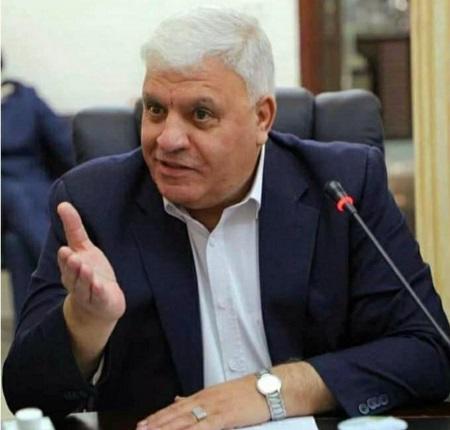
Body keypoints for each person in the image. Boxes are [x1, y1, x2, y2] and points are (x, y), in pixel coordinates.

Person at [3, 8, 450, 429]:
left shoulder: (343, 186)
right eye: (155, 110)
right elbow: (26, 394)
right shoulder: (93, 202)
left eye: (201, 114)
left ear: (262, 118)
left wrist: (269, 391)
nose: (168, 139)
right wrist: (84, 323)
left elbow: (429, 349)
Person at [1, 71, 74, 318]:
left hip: (31, 189)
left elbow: (64, 144)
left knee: (16, 244)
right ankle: (61, 266)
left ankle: (30, 329)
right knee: (14, 194)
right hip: (8, 192)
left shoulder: (25, 98)